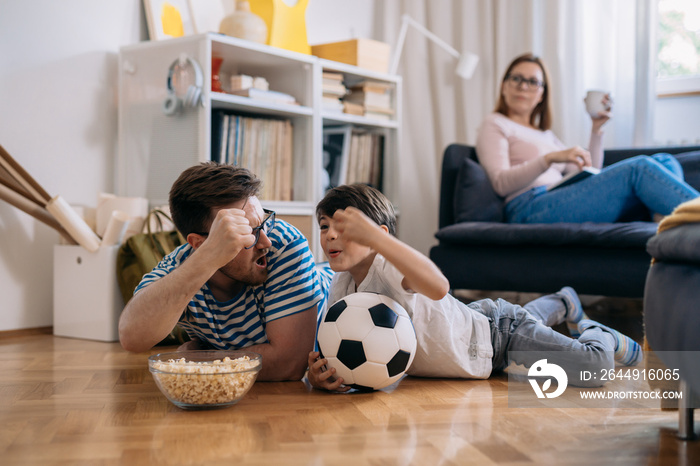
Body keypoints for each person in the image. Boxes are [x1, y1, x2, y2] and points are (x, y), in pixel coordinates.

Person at [307, 184, 641, 392]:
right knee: (522, 317)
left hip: (498, 336)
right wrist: (322, 376)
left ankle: (601, 332)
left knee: (595, 368)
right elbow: (336, 350)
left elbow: (439, 287)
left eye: (343, 227)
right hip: (472, 325)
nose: (330, 236)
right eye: (324, 227)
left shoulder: (389, 265)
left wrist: (381, 242)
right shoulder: (342, 285)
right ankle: (563, 300)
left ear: (379, 234)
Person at [118, 162, 333, 382]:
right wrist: (207, 259)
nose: (265, 242)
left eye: (264, 223)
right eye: (245, 233)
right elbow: (131, 337)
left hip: (343, 290)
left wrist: (199, 360)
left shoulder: (284, 244)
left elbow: (289, 364)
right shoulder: (180, 267)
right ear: (199, 244)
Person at [476, 52, 699, 224]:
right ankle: (677, 219)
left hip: (559, 196)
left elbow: (587, 170)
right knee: (639, 169)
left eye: (532, 81)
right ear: (504, 86)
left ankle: (666, 223)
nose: (523, 86)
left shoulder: (545, 135)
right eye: (516, 78)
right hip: (528, 207)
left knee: (666, 160)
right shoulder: (495, 123)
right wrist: (548, 159)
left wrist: (596, 130)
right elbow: (501, 184)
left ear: (541, 94)